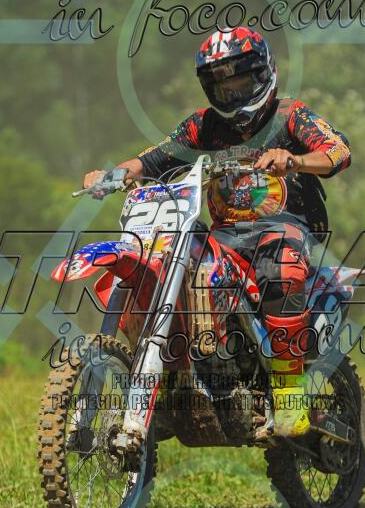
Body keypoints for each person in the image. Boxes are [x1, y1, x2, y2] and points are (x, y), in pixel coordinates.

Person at [83, 26, 351, 438]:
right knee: (170, 260)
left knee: (280, 268)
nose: (232, 93)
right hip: (224, 235)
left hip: (284, 227)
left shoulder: (290, 115)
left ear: (263, 73)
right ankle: (175, 379)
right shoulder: (204, 125)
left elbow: (338, 150)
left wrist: (294, 160)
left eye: (240, 83)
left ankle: (289, 395)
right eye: (222, 87)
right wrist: (114, 174)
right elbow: (154, 158)